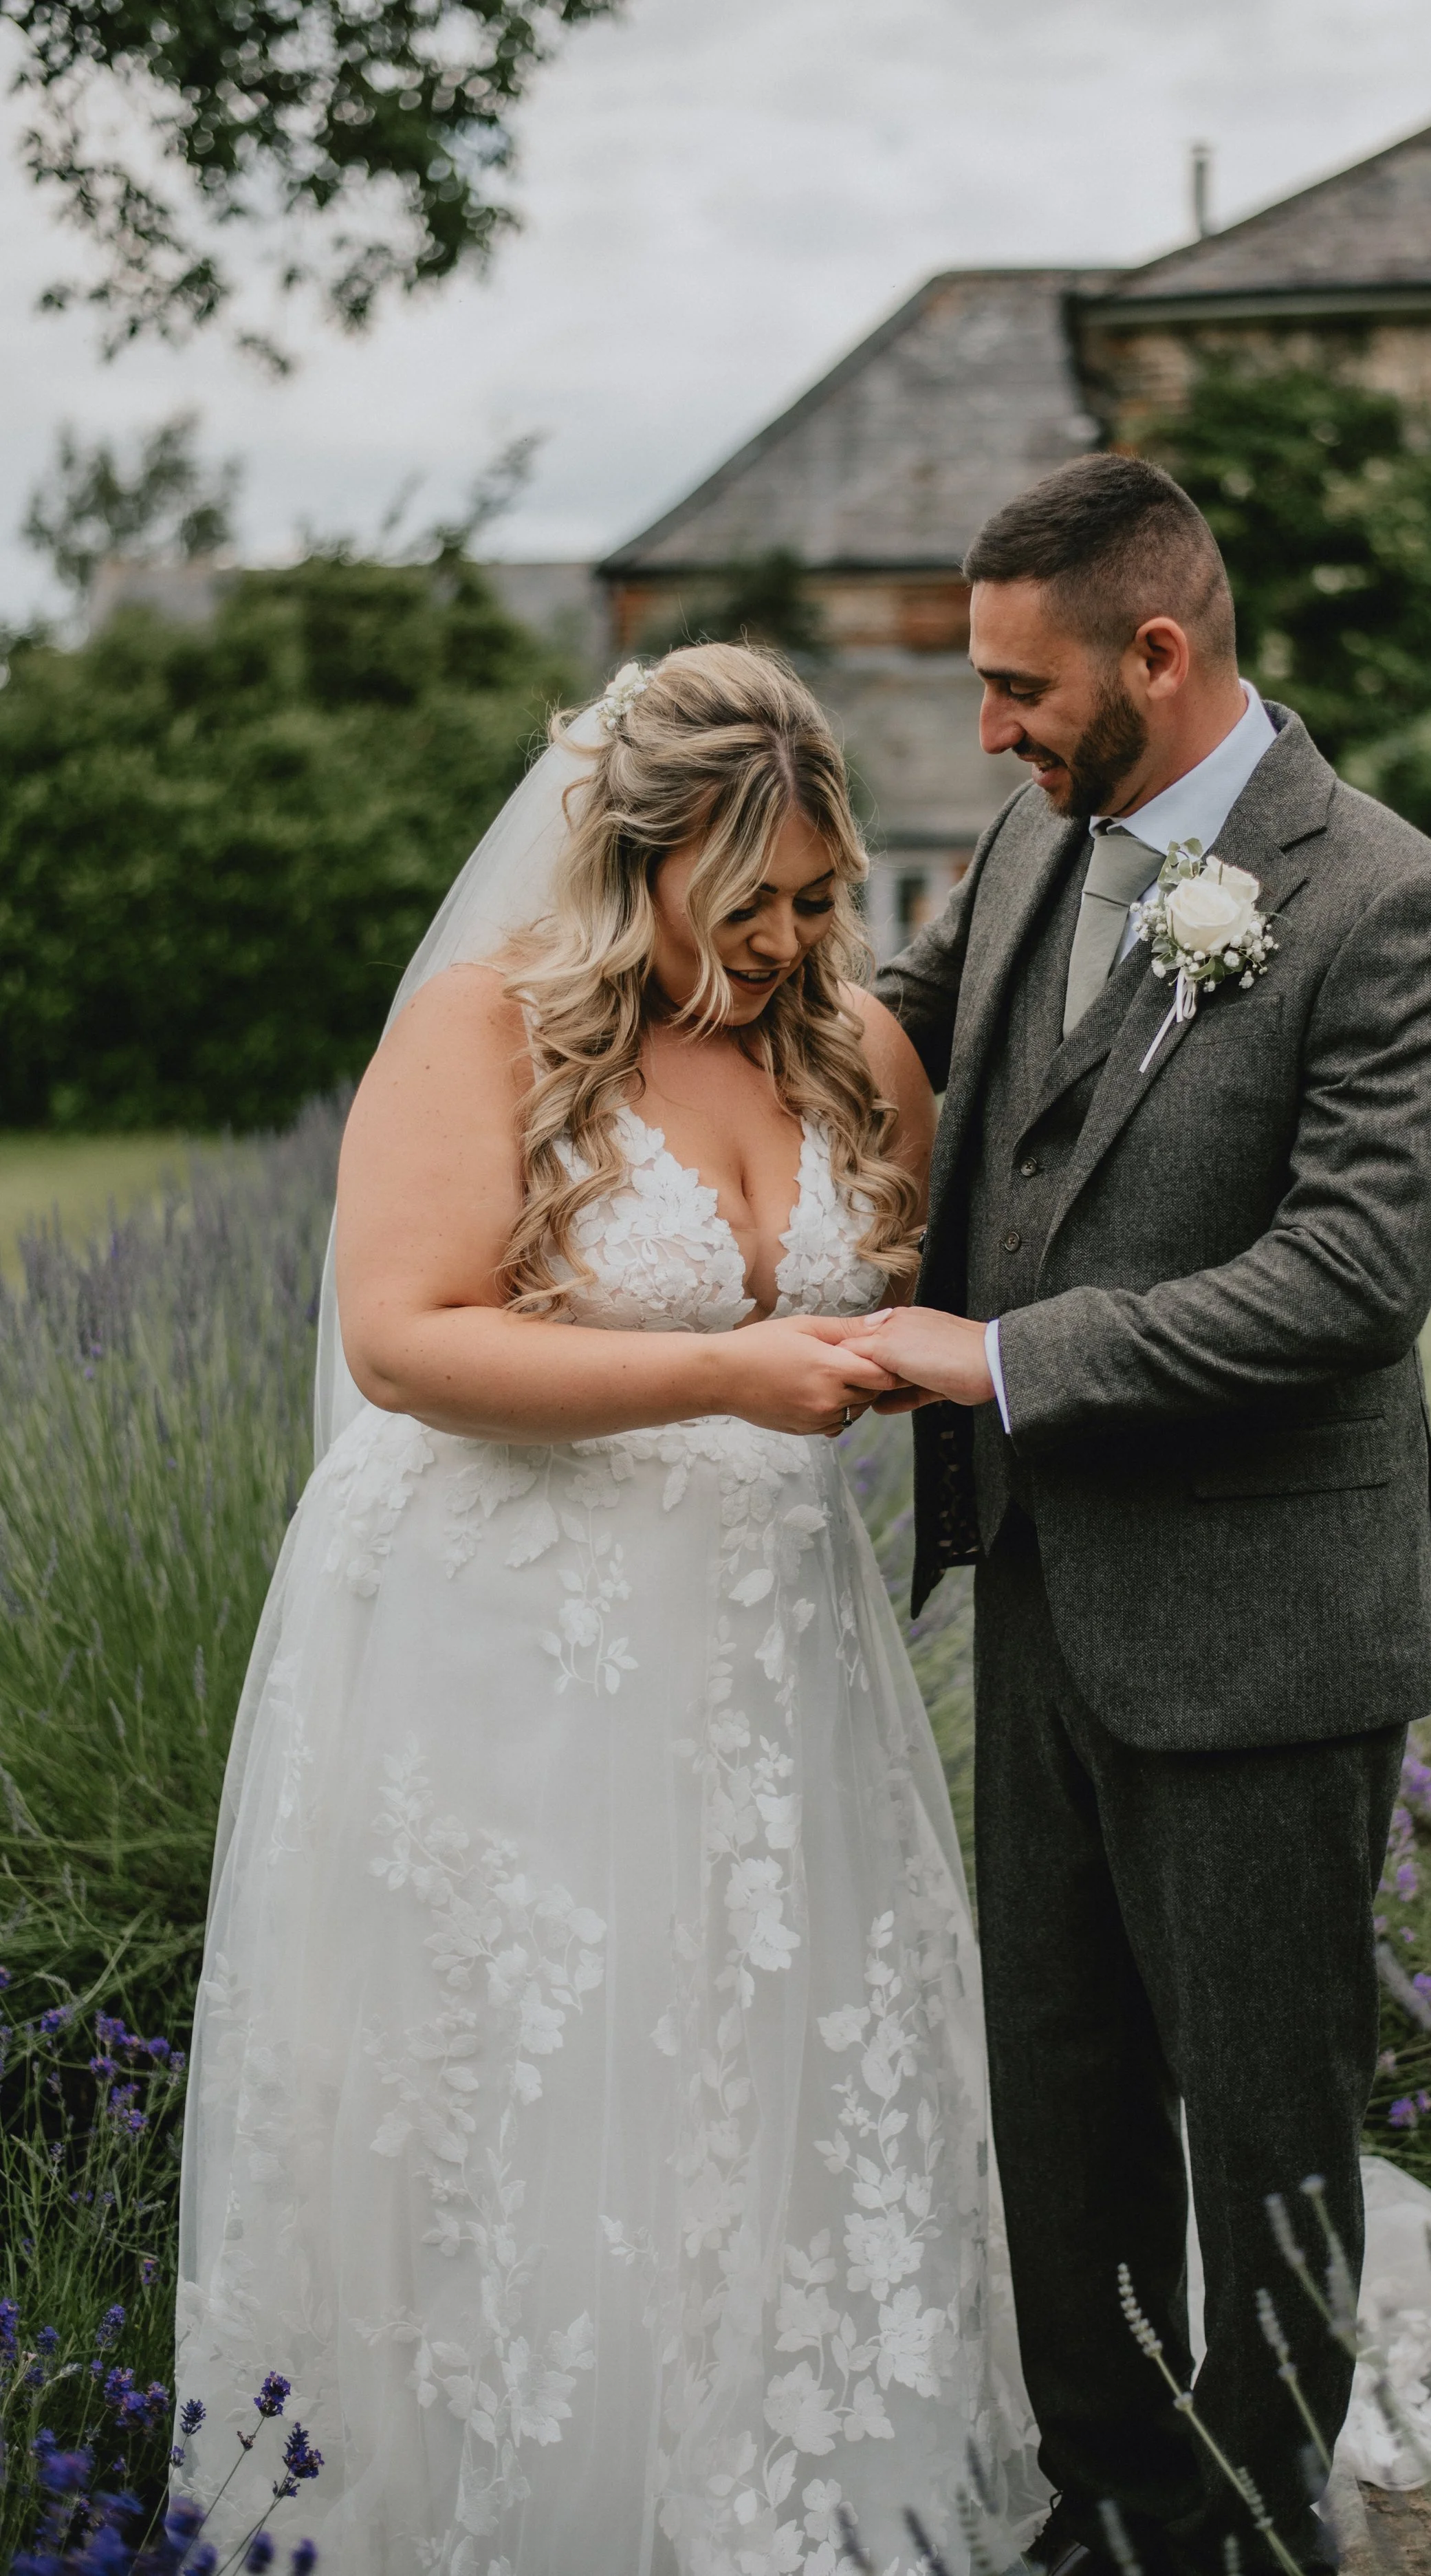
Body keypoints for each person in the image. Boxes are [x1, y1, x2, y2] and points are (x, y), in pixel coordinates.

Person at [176, 644, 1047, 2575]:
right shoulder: (486, 1030)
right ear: (632, 861)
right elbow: (404, 1344)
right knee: (539, 2077)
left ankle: (777, 2486)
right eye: (748, 906)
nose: (795, 942)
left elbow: (890, 1284)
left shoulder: (855, 1049)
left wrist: (891, 1358)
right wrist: (730, 1378)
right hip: (507, 1642)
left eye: (822, 899)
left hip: (763, 1648)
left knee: (763, 2049)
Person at [846, 455, 1431, 2575]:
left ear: (1157, 651)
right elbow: (907, 1040)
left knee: (1262, 2117)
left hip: (1260, 1623)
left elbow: (1344, 1277)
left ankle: (1239, 2524)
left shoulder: (1391, 903)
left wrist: (1003, 1361)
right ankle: (1106, 2489)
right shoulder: (1044, 846)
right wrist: (660, 1025)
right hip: (1041, 1583)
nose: (990, 733)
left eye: (1020, 689)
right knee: (1061, 2078)